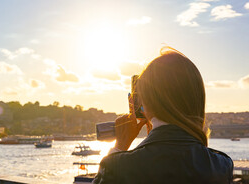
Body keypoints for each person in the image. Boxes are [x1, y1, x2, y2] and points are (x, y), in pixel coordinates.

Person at [92, 47, 233, 184]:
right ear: (198, 100)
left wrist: (119, 148)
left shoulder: (119, 167)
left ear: (145, 101)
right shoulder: (221, 165)